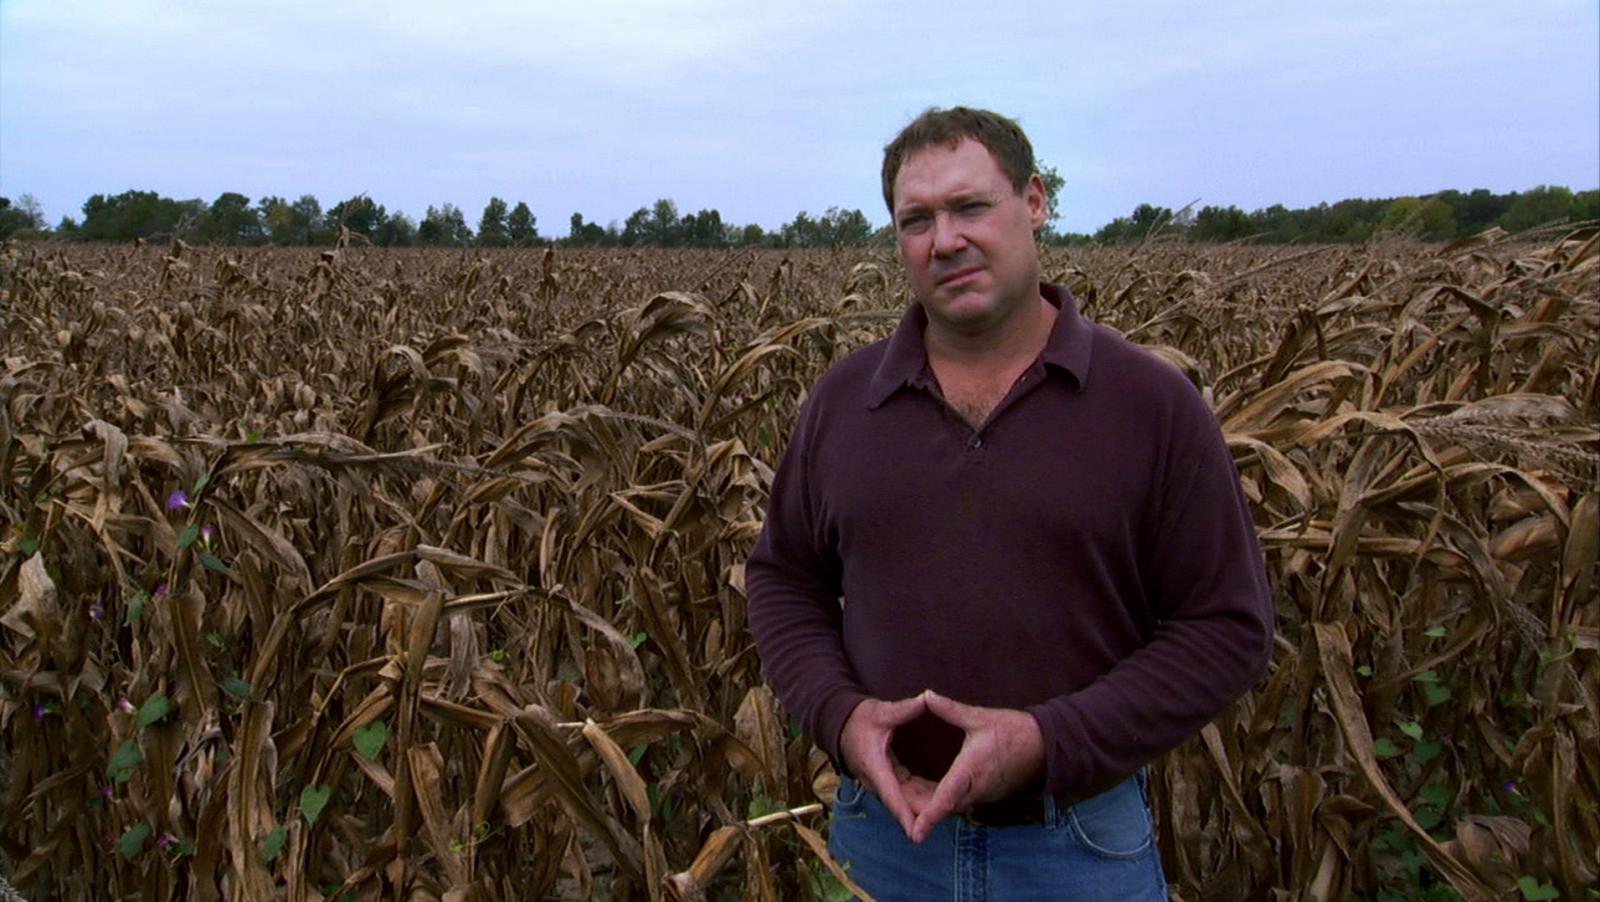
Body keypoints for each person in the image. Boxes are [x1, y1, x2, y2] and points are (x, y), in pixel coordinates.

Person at [744, 106, 1275, 900]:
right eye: (916, 220)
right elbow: (784, 578)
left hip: (1078, 846)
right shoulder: (845, 402)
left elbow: (1227, 626)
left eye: (970, 207)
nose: (945, 240)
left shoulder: (1151, 404)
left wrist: (1046, 740)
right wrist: (843, 719)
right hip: (881, 838)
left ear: (1033, 201)